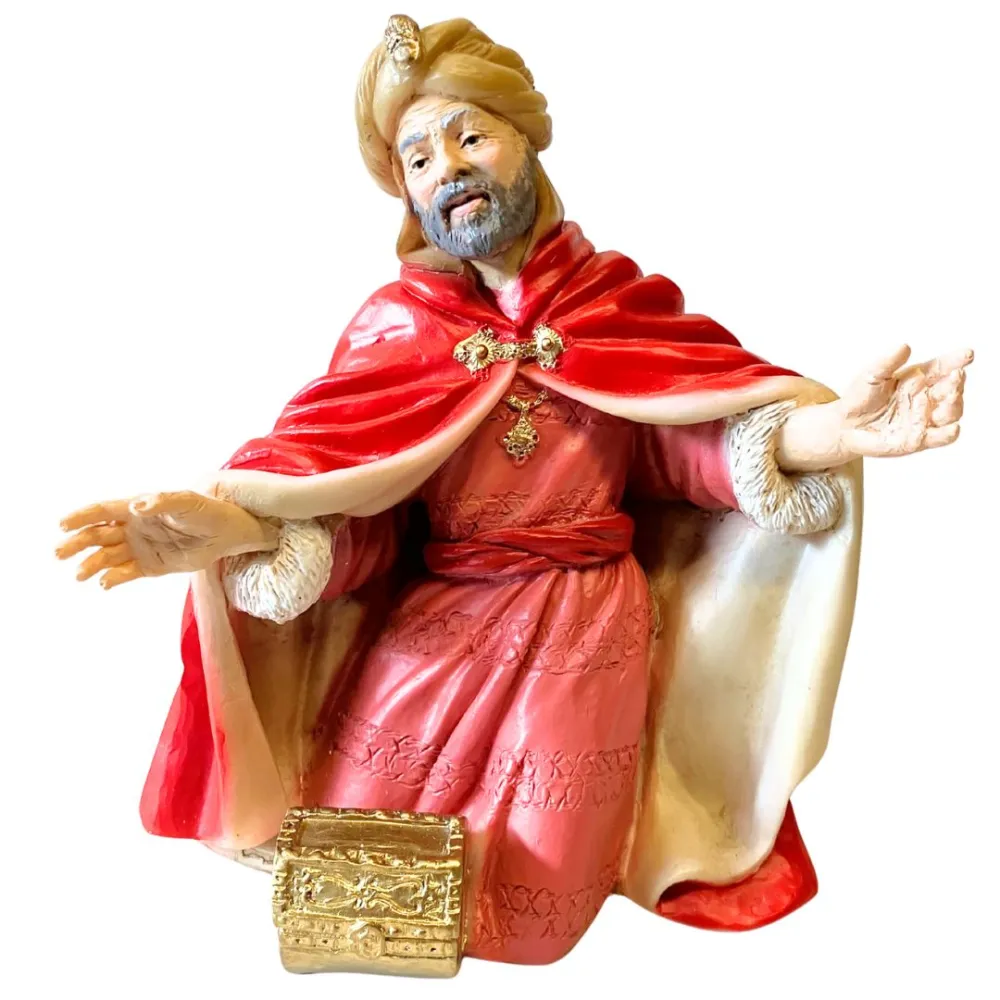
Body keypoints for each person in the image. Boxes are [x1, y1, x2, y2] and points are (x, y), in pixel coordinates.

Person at [57, 15, 971, 965]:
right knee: (357, 857)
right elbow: (363, 514)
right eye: (418, 158)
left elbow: (696, 448)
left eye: (470, 136)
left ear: (526, 140)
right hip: (436, 629)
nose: (448, 168)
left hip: (579, 637)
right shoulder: (395, 328)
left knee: (534, 912)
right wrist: (240, 530)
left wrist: (833, 433)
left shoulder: (613, 304)